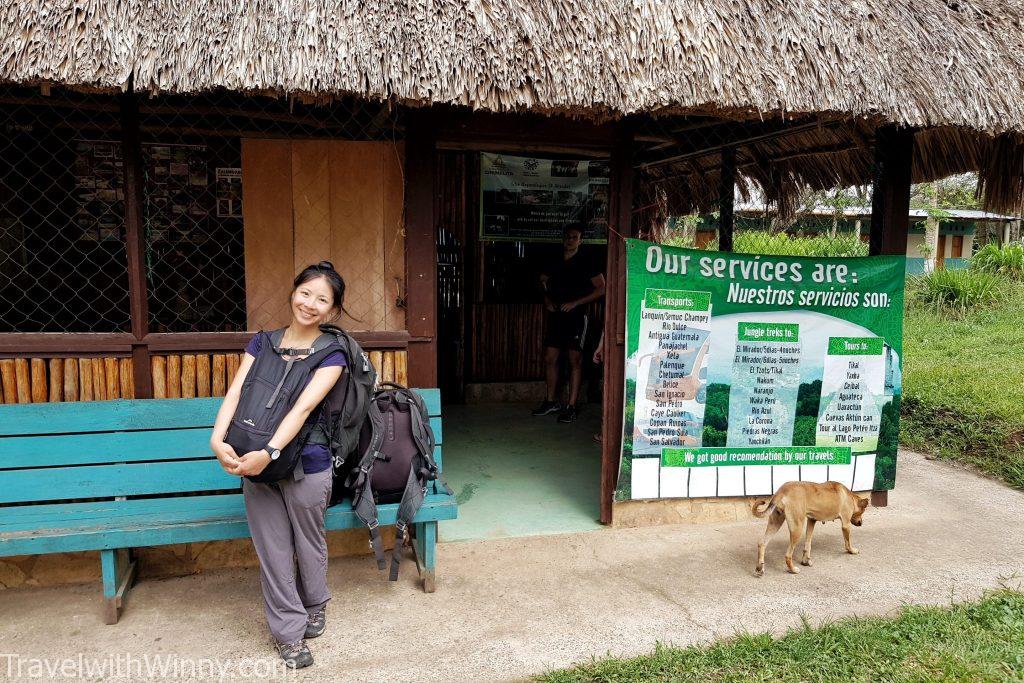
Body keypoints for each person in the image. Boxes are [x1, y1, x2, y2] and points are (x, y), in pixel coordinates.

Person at [209, 261, 347, 669]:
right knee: (273, 549)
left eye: (322, 299)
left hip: (307, 462)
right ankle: (288, 633)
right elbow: (236, 393)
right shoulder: (262, 342)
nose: (310, 303)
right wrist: (217, 440)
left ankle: (316, 601)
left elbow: (303, 409)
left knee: (308, 541)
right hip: (255, 463)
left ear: (333, 310)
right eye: (306, 293)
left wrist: (267, 452)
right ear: (293, 292)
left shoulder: (333, 352)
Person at [532, 224, 606, 423]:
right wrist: (546, 299)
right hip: (556, 315)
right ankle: (551, 401)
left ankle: (571, 406)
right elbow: (542, 280)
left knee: (575, 360)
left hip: (576, 317)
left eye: (574, 237)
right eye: (567, 237)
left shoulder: (587, 261)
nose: (570, 240)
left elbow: (602, 288)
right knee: (550, 357)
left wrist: (575, 303)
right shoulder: (555, 259)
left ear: (580, 240)